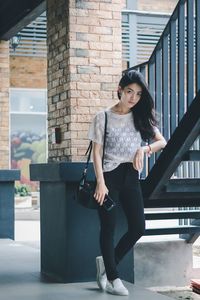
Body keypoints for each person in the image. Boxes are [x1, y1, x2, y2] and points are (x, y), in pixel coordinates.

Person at [88, 70, 167, 296]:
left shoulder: (139, 116)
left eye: (138, 94)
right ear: (120, 90)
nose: (133, 97)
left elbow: (162, 141)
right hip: (109, 176)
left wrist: (145, 148)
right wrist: (100, 183)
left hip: (131, 176)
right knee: (108, 227)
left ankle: (106, 264)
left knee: (138, 227)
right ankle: (113, 278)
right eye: (129, 91)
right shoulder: (102, 117)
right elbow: (96, 152)